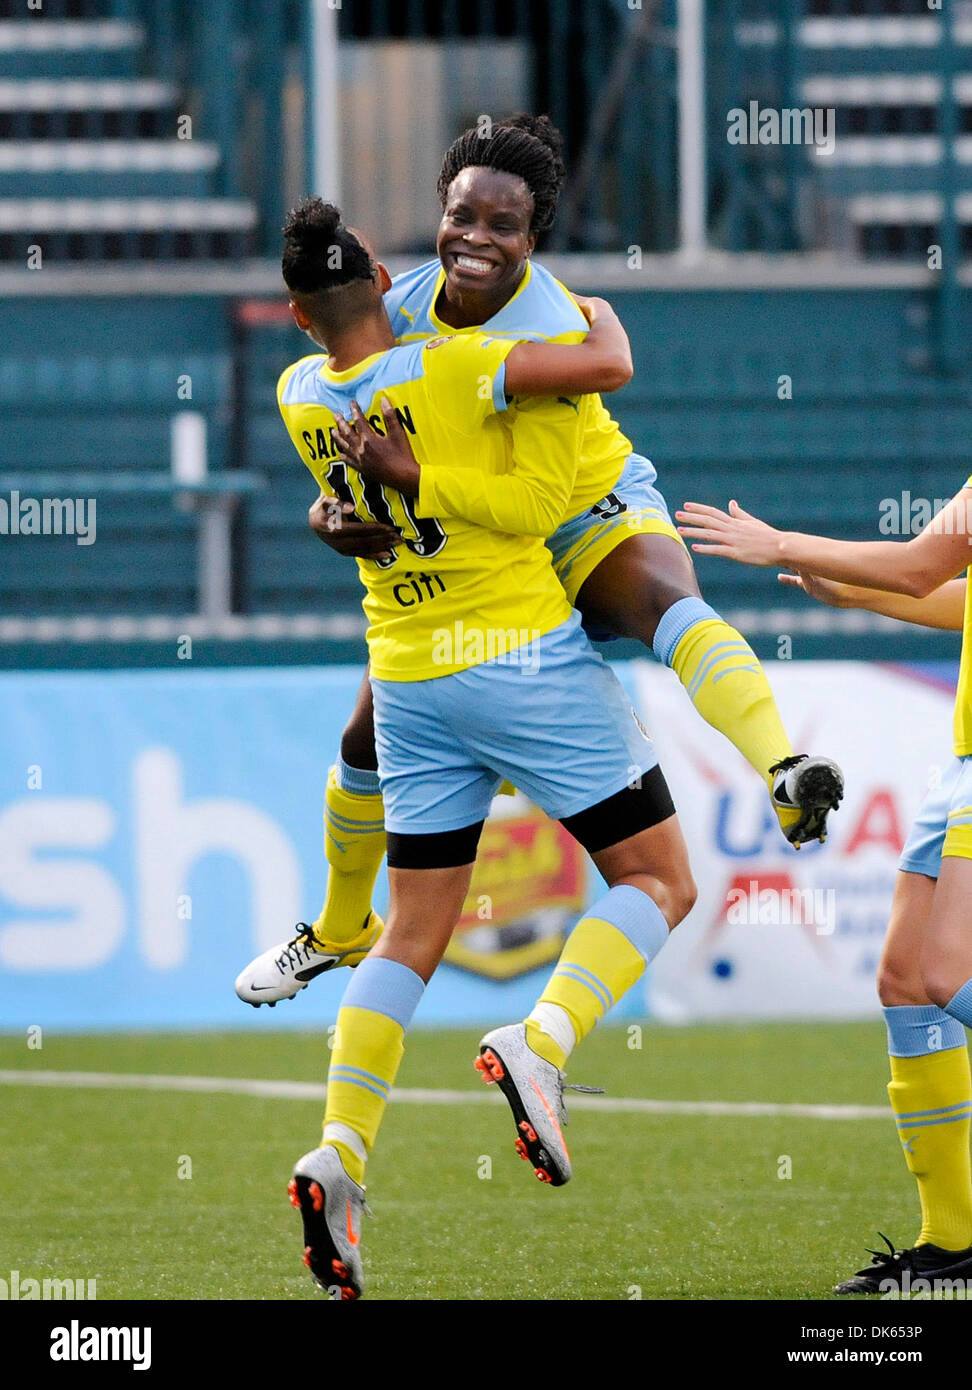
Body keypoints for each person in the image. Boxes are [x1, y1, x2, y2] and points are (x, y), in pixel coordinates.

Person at [237, 114, 842, 1009]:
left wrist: (607, 326)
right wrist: (328, 511)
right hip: (480, 530)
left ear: (533, 238)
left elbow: (612, 368)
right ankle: (336, 927)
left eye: (502, 225)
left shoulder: (555, 320)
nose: (475, 237)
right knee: (362, 736)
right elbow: (339, 414)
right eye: (461, 215)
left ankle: (782, 769)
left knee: (664, 601)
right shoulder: (396, 299)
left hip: (578, 503)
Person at [269, 197, 696, 1299]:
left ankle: (341, 1153)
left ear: (293, 315)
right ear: (377, 270)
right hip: (517, 659)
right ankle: (542, 1041)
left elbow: (338, 496)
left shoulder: (299, 394)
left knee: (408, 938)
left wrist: (332, 515)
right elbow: (601, 361)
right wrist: (592, 304)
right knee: (658, 878)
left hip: (407, 676)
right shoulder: (459, 369)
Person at [676, 492, 972, 1294]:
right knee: (908, 983)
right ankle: (954, 1247)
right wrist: (860, 588)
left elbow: (921, 565)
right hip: (963, 761)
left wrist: (781, 542)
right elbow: (947, 590)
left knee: (948, 975)